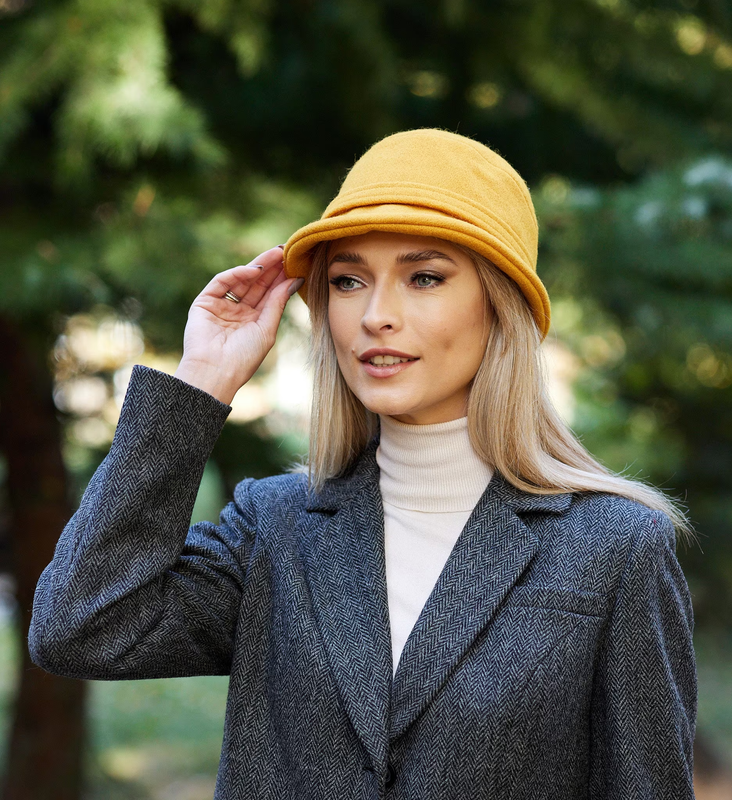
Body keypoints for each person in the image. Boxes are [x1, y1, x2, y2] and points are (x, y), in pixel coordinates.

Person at [29, 128, 698, 799]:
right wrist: (204, 378)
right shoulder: (274, 527)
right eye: (348, 281)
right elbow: (78, 627)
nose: (376, 315)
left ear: (501, 305)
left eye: (425, 277)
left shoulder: (614, 548)